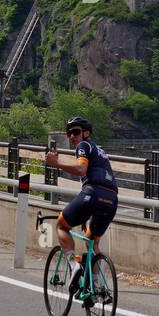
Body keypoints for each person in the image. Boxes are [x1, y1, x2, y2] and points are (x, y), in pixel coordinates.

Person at [44, 116, 118, 299]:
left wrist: (56, 164)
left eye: (76, 132)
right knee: (92, 241)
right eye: (69, 133)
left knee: (61, 225)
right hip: (111, 200)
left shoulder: (84, 146)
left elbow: (81, 170)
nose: (72, 136)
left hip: (93, 194)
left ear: (87, 133)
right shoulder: (100, 151)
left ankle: (73, 265)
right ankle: (96, 286)